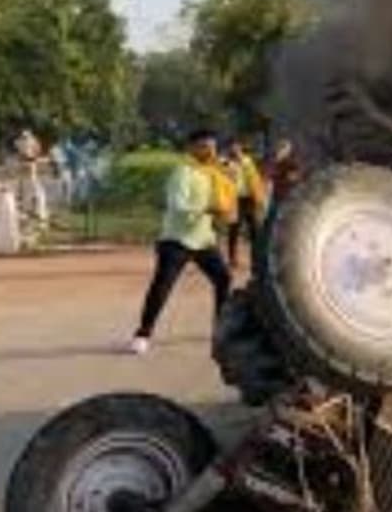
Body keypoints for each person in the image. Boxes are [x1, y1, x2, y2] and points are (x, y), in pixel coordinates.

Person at [128, 129, 234, 355]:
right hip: (177, 240)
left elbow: (226, 196)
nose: (211, 151)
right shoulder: (182, 172)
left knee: (223, 278)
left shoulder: (211, 172)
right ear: (192, 147)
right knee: (162, 286)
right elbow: (178, 205)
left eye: (213, 146)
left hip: (204, 239)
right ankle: (143, 334)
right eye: (205, 146)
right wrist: (207, 209)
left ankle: (221, 329)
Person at [222, 139, 266, 269]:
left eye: (236, 147)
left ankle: (256, 259)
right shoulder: (225, 162)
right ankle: (232, 258)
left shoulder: (248, 161)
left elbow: (255, 179)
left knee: (255, 231)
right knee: (234, 229)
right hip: (234, 200)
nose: (234, 149)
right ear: (228, 149)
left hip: (250, 199)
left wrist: (260, 198)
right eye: (231, 147)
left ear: (240, 147)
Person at [266, 138, 303, 208]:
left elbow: (296, 176)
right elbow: (267, 173)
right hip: (270, 194)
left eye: (288, 150)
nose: (286, 152)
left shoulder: (291, 162)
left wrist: (288, 177)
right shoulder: (271, 160)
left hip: (284, 195)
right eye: (284, 150)